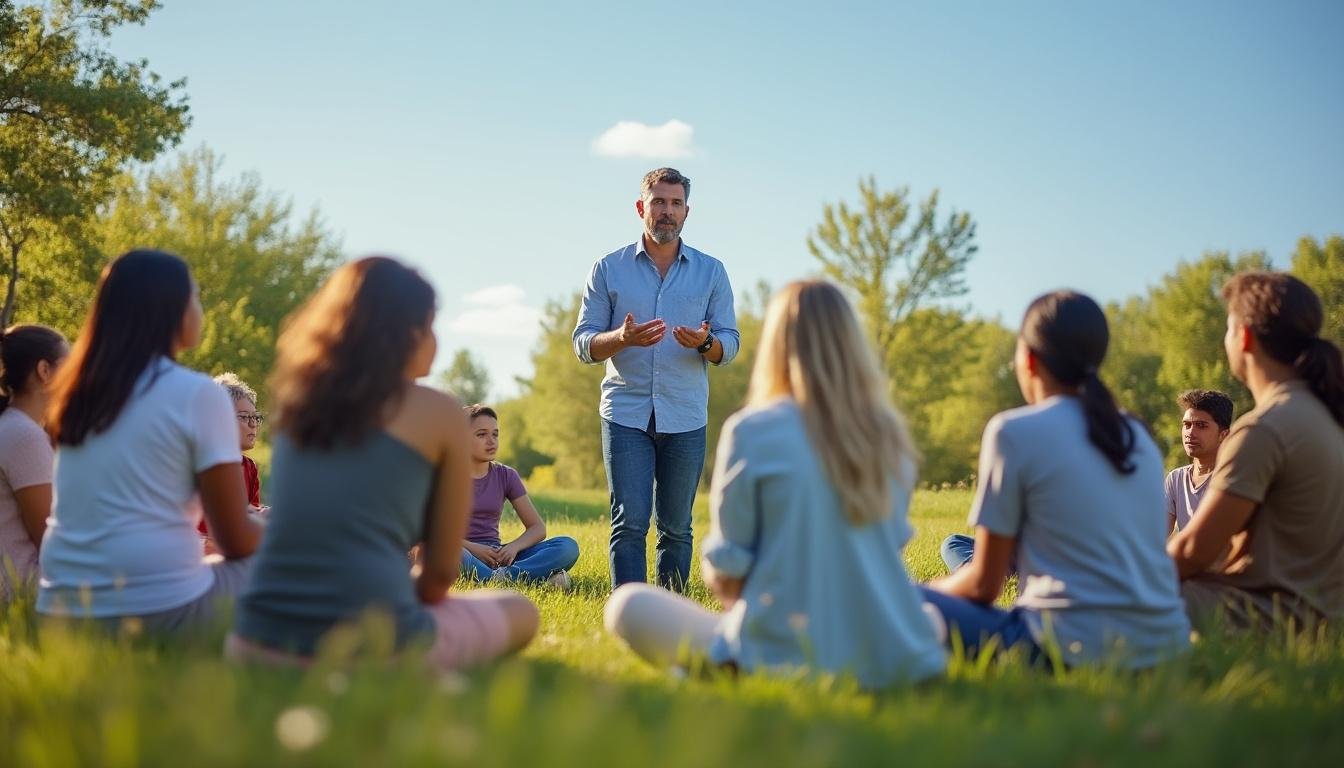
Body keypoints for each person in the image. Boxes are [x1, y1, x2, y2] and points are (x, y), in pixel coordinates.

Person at [604, 281, 946, 688]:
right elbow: (886, 553)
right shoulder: (888, 433)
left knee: (627, 604)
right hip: (892, 651)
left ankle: (723, 667)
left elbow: (729, 575)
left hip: (782, 650)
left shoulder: (753, 429)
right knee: (934, 615)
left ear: (777, 345)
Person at [229, 257, 537, 669]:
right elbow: (437, 577)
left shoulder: (298, 405)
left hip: (256, 639)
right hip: (371, 643)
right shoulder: (438, 411)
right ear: (404, 335)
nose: (434, 339)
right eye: (429, 325)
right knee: (519, 610)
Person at [921, 291, 1191, 669]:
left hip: (1067, 647)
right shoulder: (1138, 436)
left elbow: (985, 585)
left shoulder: (1012, 431)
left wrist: (923, 593)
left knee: (896, 599)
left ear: (1028, 359)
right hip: (1164, 647)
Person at [39, 249, 261, 634]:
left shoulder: (76, 394)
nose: (200, 307)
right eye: (195, 295)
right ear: (171, 309)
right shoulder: (196, 394)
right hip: (157, 610)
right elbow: (235, 541)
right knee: (298, 557)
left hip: (58, 610)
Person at [573, 167, 740, 591]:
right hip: (625, 413)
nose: (667, 212)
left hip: (685, 414)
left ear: (687, 211)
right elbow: (583, 344)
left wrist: (705, 344)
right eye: (659, 202)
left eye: (676, 203)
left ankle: (672, 614)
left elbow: (730, 344)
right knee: (629, 522)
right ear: (640, 207)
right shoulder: (608, 269)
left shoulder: (712, 271)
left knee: (677, 527)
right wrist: (621, 338)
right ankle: (628, 613)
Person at [1169, 272, 1344, 633]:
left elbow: (1191, 553)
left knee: (1128, 591)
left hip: (1272, 619)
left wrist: (1117, 582)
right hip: (1325, 617)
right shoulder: (1325, 414)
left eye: (1228, 328)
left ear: (1244, 336)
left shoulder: (1264, 429)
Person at [459, 404, 579, 588]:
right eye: (482, 434)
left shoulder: (506, 475)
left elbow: (537, 528)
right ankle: (535, 581)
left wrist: (513, 548)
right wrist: (473, 548)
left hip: (496, 556)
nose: (491, 441)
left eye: (495, 434)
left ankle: (501, 578)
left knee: (567, 547)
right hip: (461, 551)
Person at [0, 324, 67, 600]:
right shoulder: (24, 437)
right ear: (44, 371)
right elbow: (53, 544)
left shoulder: (17, 428)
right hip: (22, 593)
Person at [198, 373, 267, 553]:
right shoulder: (198, 463)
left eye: (256, 417)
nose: (253, 424)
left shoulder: (250, 468)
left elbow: (251, 519)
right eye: (244, 417)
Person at [1164, 389, 1233, 536]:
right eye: (1187, 425)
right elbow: (1157, 535)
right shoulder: (1176, 479)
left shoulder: (1231, 478)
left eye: (1201, 425)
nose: (1190, 433)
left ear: (1224, 435)